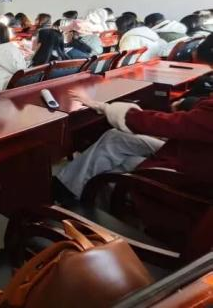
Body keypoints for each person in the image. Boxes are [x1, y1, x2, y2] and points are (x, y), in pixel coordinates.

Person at [55, 35, 213, 199]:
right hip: (192, 154)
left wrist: (104, 107)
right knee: (115, 137)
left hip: (188, 177)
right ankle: (66, 187)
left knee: (116, 165)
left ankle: (80, 198)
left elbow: (167, 125)